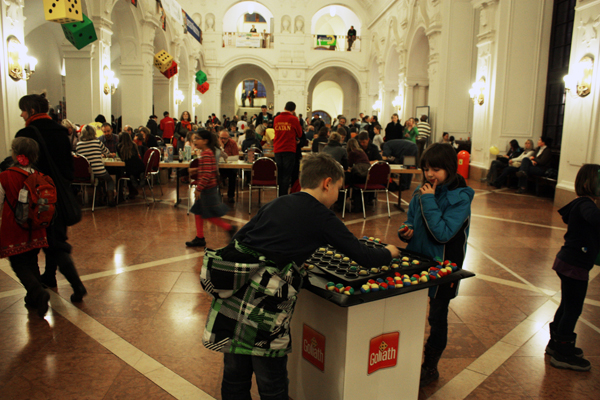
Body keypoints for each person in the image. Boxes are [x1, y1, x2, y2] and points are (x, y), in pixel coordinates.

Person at [201, 153, 400, 400]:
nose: (338, 194)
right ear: (327, 183)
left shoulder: (278, 202)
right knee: (271, 383)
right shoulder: (321, 215)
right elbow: (363, 256)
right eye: (339, 188)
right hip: (264, 309)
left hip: (233, 299)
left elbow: (242, 240)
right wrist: (388, 252)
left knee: (234, 377)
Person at [398, 143, 474, 387]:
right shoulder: (423, 190)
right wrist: (407, 231)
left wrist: (429, 200)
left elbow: (442, 233)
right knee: (410, 312)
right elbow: (411, 220)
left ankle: (430, 366)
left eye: (436, 169)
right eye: (426, 168)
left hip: (443, 268)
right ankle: (405, 361)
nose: (430, 174)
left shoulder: (460, 198)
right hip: (417, 261)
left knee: (437, 317)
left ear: (450, 168)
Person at [15, 93, 87, 302]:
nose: (21, 114)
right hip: (58, 195)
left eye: (23, 110)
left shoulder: (26, 133)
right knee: (55, 240)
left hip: (37, 197)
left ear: (32, 111)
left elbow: (22, 166)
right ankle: (50, 276)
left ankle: (76, 285)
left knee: (48, 243)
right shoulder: (60, 132)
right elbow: (69, 167)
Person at [545, 164, 600, 372]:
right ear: (588, 184)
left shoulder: (582, 203)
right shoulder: (587, 204)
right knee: (573, 309)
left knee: (567, 305)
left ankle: (555, 344)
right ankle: (563, 353)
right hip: (575, 265)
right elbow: (595, 219)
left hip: (567, 262)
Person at [0, 137, 50, 317]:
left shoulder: (5, 176)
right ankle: (33, 298)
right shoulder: (37, 175)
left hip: (15, 228)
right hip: (36, 227)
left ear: (14, 153)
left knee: (18, 263)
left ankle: (38, 292)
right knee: (32, 261)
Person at [186, 130, 238, 248]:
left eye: (197, 138)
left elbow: (207, 174)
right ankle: (200, 237)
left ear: (205, 141)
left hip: (207, 190)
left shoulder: (206, 153)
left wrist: (199, 188)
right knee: (198, 212)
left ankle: (229, 228)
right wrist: (195, 170)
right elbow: (207, 169)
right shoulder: (206, 152)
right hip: (207, 188)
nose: (194, 141)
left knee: (208, 215)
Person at [76, 125, 116, 207]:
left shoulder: (79, 145)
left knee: (96, 181)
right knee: (110, 180)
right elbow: (107, 152)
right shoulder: (97, 142)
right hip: (99, 170)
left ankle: (97, 199)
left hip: (86, 173)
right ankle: (110, 199)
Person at [273, 101, 302, 197]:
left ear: (285, 107)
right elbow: (300, 133)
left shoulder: (276, 119)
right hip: (289, 149)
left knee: (280, 174)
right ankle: (283, 197)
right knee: (286, 175)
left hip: (277, 149)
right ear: (294, 110)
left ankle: (279, 196)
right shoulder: (294, 119)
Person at [219, 129, 239, 203]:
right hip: (220, 167)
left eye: (225, 138)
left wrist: (224, 158)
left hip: (230, 167)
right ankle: (216, 195)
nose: (223, 140)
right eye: (221, 138)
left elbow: (236, 157)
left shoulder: (232, 143)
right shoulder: (217, 143)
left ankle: (231, 196)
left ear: (228, 138)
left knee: (233, 175)